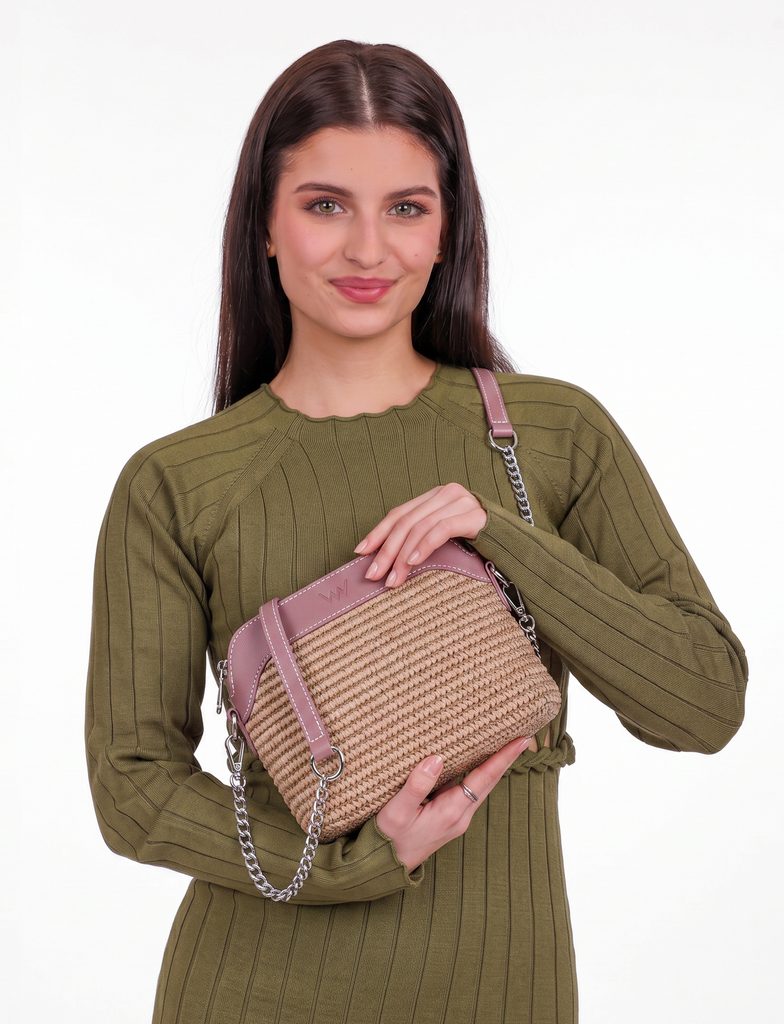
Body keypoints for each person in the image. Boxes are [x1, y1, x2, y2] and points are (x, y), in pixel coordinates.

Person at [84, 39, 749, 1024]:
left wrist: (501, 538)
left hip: (503, 992)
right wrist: (349, 863)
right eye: (325, 206)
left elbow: (704, 704)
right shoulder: (177, 483)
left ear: (447, 230)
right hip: (254, 990)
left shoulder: (553, 436)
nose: (368, 250)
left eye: (406, 208)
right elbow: (132, 786)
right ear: (264, 226)